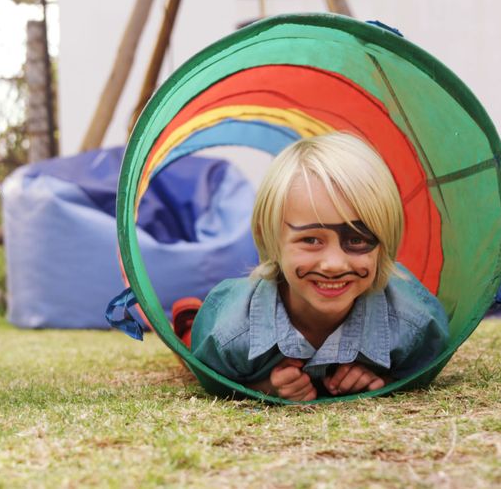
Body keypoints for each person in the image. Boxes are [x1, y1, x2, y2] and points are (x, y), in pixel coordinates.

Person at [181, 132, 448, 402]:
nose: (333, 264)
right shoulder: (229, 331)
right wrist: (265, 387)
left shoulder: (414, 325)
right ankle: (189, 323)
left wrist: (385, 379)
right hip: (227, 314)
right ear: (269, 238)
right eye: (310, 239)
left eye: (356, 239)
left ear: (383, 240)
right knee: (191, 346)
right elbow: (211, 379)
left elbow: (425, 366)